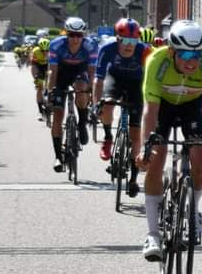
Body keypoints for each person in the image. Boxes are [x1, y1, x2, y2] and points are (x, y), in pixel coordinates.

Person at [136, 20, 202, 261]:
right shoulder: (157, 61)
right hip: (162, 107)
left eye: (197, 54)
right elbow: (150, 110)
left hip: (192, 106)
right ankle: (152, 234)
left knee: (200, 160)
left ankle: (193, 210)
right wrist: (146, 146)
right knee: (155, 160)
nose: (192, 61)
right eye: (186, 55)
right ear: (172, 52)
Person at [94, 18, 150, 196]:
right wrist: (96, 104)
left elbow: (151, 80)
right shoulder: (107, 48)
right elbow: (98, 80)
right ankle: (108, 136)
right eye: (125, 40)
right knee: (107, 104)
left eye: (133, 40)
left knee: (135, 134)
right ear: (117, 38)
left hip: (136, 84)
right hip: (114, 79)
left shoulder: (144, 50)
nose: (129, 45)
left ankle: (133, 179)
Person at [46, 17, 97, 173]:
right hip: (61, 74)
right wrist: (51, 91)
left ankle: (82, 122)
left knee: (82, 89)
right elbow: (52, 71)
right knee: (57, 115)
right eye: (71, 35)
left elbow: (92, 72)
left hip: (80, 72)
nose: (75, 39)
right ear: (66, 34)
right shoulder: (56, 45)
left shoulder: (90, 46)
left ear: (83, 35)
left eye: (79, 35)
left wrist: (91, 91)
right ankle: (57, 157)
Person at [30, 37, 50, 118]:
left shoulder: (52, 51)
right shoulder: (35, 51)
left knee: (51, 82)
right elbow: (33, 67)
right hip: (38, 66)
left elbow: (55, 65)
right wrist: (35, 78)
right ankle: (40, 110)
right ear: (39, 48)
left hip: (48, 66)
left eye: (47, 50)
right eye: (43, 50)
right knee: (39, 87)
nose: (45, 52)